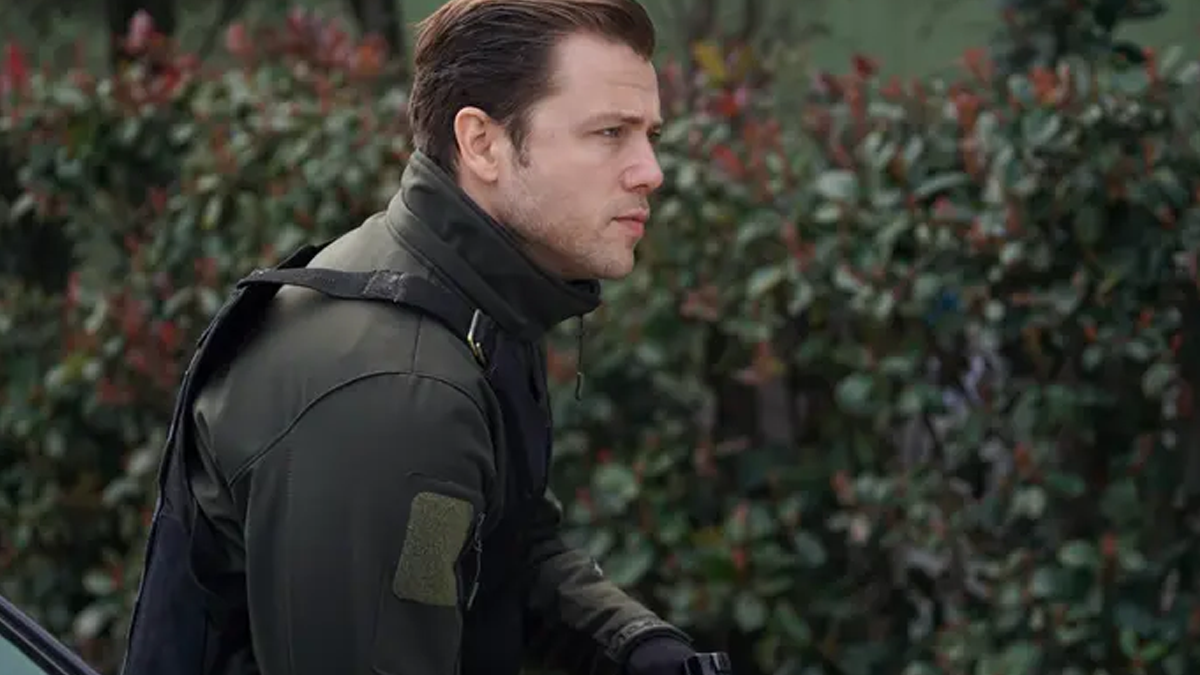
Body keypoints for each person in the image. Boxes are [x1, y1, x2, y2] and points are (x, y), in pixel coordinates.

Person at [116, 1, 714, 675]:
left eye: (649, 135)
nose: (650, 171)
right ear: (481, 143)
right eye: (610, 133)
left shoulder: (471, 298)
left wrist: (637, 647)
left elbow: (491, 547)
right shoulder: (396, 392)